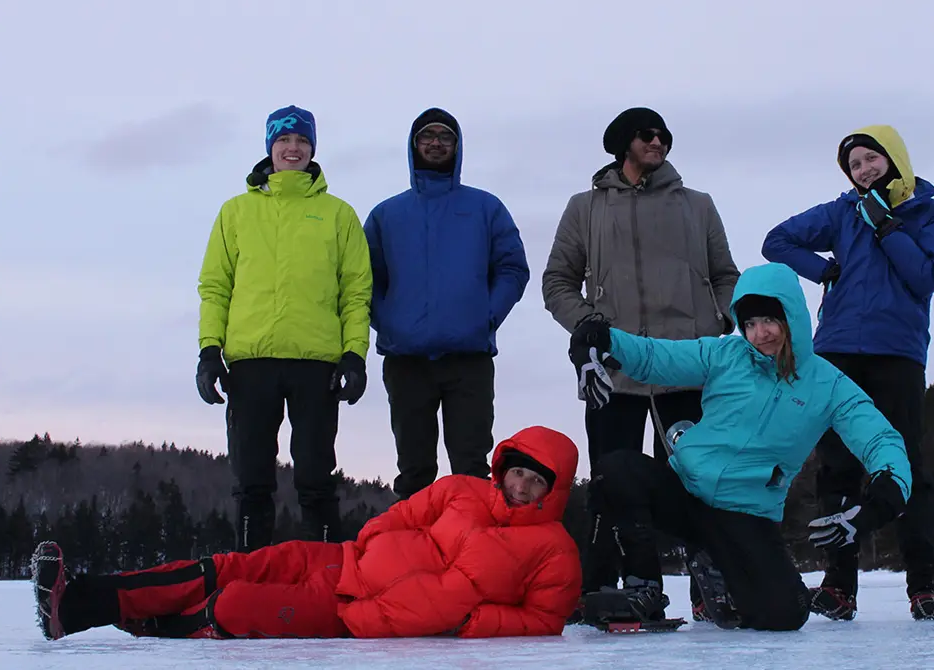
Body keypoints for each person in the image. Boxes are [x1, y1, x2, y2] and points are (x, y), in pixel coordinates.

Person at [569, 262, 914, 631]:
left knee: (785, 614)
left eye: (769, 321)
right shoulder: (726, 355)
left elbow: (880, 438)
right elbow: (656, 357)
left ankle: (720, 569)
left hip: (745, 514)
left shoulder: (829, 385)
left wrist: (882, 499)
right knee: (616, 470)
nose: (759, 333)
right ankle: (643, 586)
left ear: (791, 319)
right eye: (749, 323)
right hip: (685, 491)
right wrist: (599, 338)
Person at [32, 426, 582, 641]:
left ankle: (141, 620)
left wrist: (473, 621)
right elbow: (404, 514)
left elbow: (545, 619)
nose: (522, 486)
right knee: (227, 568)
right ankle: (77, 601)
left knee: (234, 604)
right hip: (342, 559)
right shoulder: (463, 489)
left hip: (354, 613)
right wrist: (370, 539)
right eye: (519, 472)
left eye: (537, 481)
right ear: (503, 467)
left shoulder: (554, 552)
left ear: (552, 492)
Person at [542, 106, 740, 603]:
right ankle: (623, 585)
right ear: (622, 144)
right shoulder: (585, 208)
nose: (658, 142)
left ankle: (711, 590)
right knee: (613, 481)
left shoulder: (698, 205)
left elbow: (726, 275)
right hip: (615, 371)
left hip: (688, 367)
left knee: (698, 481)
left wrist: (721, 321)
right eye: (647, 135)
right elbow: (558, 281)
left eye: (664, 136)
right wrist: (590, 328)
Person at [761, 125, 934, 621]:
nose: (863, 170)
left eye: (871, 159)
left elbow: (926, 277)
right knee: (838, 467)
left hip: (898, 352)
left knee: (905, 464)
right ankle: (839, 585)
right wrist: (822, 270)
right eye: (854, 165)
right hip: (837, 351)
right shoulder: (841, 212)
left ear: (894, 158)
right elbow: (776, 241)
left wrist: (887, 227)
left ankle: (924, 583)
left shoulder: (929, 213)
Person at [195, 105, 373, 551]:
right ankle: (250, 573)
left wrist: (355, 355)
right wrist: (209, 351)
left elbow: (356, 293)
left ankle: (326, 572)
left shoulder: (339, 214)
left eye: (302, 141)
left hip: (317, 364)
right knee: (251, 480)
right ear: (270, 147)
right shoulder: (235, 212)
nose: (293, 148)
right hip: (250, 363)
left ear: (313, 148)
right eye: (284, 140)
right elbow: (215, 287)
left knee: (316, 478)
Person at [364, 107, 530, 501]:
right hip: (406, 359)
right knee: (414, 469)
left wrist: (485, 317)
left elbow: (512, 268)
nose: (436, 143)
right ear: (413, 145)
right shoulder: (387, 214)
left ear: (457, 146)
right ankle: (413, 539)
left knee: (471, 467)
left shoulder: (485, 208)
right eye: (427, 136)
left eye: (445, 137)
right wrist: (389, 323)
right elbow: (363, 279)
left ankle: (472, 539)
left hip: (468, 358)